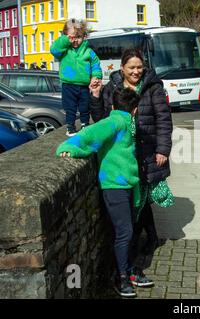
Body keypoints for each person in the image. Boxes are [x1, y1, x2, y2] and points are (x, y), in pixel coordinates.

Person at [56, 87, 152, 298]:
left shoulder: (125, 122)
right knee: (124, 232)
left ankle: (127, 270)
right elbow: (91, 133)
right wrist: (69, 146)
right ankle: (121, 277)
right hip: (114, 186)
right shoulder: (117, 122)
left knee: (126, 232)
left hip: (125, 184)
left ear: (114, 106)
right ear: (135, 110)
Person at [89, 48, 173, 269]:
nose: (136, 71)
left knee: (143, 197)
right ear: (122, 68)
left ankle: (142, 240)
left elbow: (164, 120)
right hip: (123, 155)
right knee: (137, 199)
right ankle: (148, 237)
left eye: (139, 67)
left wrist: (163, 150)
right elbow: (102, 121)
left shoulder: (154, 87)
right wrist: (96, 97)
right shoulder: (111, 88)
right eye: (131, 68)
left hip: (147, 152)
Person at [50, 18, 102, 137]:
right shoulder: (64, 50)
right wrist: (65, 40)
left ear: (84, 36)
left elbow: (95, 65)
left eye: (78, 37)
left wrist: (96, 76)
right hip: (68, 84)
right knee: (70, 108)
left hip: (83, 85)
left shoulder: (88, 51)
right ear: (66, 36)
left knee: (85, 106)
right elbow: (53, 50)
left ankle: (85, 124)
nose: (75, 40)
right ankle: (70, 127)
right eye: (72, 37)